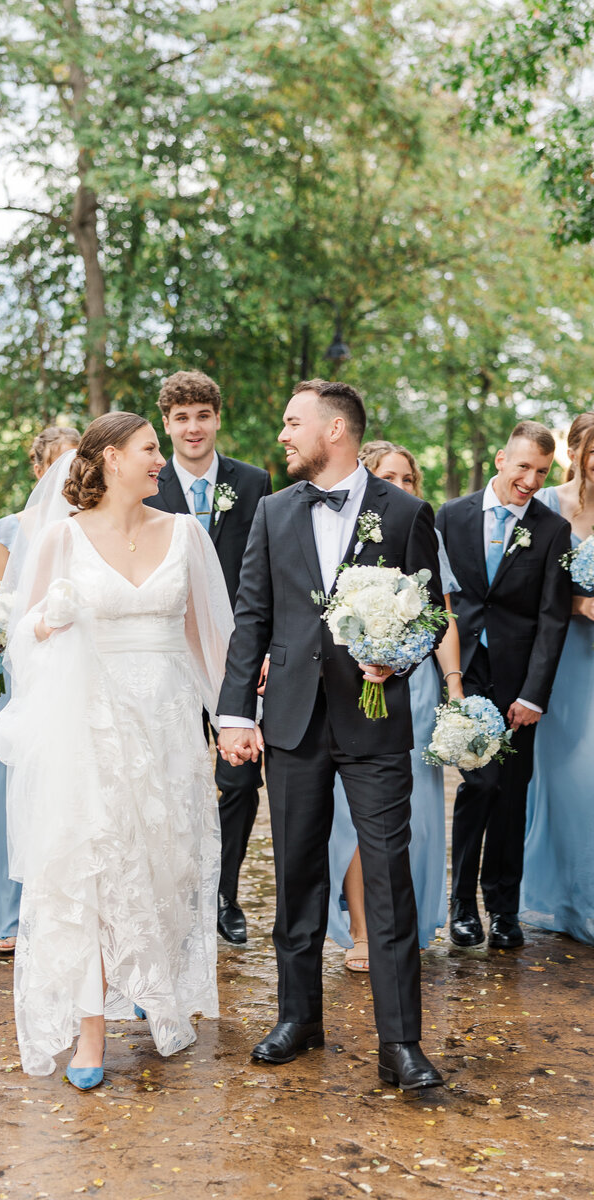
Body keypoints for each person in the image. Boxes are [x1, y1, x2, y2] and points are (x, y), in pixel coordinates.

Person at [0, 412, 233, 1089]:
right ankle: (90, 1034)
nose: (161, 460)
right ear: (113, 458)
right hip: (90, 725)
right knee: (91, 870)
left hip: (170, 727)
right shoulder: (60, 539)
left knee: (164, 865)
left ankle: (151, 982)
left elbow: (214, 641)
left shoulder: (186, 533)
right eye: (151, 449)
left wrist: (235, 718)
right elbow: (20, 632)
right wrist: (46, 620)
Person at [218, 380, 445, 1092]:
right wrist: (234, 714)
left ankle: (400, 1044)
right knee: (297, 874)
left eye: (294, 423)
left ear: (336, 429)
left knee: (387, 880)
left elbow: (429, 616)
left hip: (374, 721)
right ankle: (297, 1017)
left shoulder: (406, 513)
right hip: (291, 719)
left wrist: (398, 655)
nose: (283, 436)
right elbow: (252, 616)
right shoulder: (272, 512)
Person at [144, 370, 272, 945]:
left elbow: (267, 572)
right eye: (180, 418)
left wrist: (263, 648)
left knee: (239, 781)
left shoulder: (254, 482)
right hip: (164, 654)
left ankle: (223, 893)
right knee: (168, 777)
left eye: (202, 415)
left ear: (217, 418)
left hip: (234, 657)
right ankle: (176, 894)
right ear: (166, 423)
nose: (192, 428)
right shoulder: (147, 483)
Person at [327, 442, 462, 969]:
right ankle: (362, 932)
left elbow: (441, 618)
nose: (402, 487)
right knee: (359, 818)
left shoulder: (422, 530)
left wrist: (454, 686)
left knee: (417, 821)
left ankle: (400, 926)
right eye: (391, 477)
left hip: (417, 688)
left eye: (410, 478)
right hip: (354, 687)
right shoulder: (346, 532)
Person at [436, 421, 571, 951]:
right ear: (500, 459)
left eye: (541, 471)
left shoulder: (551, 530)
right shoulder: (451, 516)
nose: (531, 480)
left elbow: (552, 618)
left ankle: (505, 909)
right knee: (480, 786)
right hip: (464, 674)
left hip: (519, 685)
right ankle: (463, 905)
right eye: (523, 467)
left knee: (512, 795)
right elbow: (440, 598)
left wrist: (534, 694)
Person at [0, 424, 80, 953]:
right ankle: (9, 912)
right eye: (56, 465)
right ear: (37, 469)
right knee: (10, 787)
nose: (65, 475)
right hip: (20, 672)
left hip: (74, 669)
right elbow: (1, 602)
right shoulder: (10, 529)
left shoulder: (90, 526)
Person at [521, 413, 594, 943]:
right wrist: (576, 602)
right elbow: (524, 587)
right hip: (564, 659)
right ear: (578, 453)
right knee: (569, 782)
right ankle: (568, 902)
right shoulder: (548, 507)